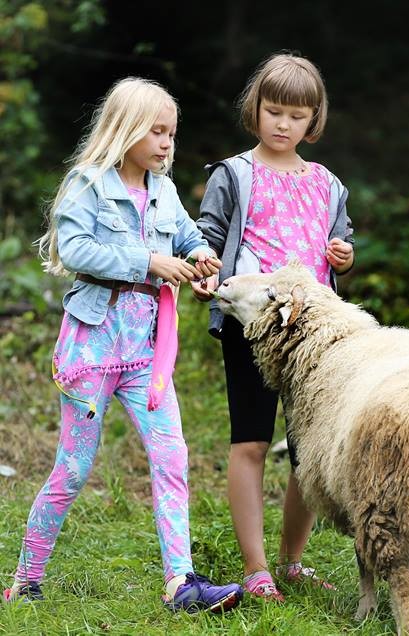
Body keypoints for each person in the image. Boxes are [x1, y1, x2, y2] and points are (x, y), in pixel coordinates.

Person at [3, 77, 243, 613]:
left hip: (144, 356)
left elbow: (189, 237)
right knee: (73, 469)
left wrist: (203, 259)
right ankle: (26, 579)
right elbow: (75, 250)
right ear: (125, 128)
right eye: (156, 131)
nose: (166, 143)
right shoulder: (87, 183)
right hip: (90, 351)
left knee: (172, 458)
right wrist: (148, 261)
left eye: (171, 133)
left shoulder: (163, 190)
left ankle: (180, 582)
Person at [192, 52, 354, 602]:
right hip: (254, 329)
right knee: (252, 441)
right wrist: (205, 269)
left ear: (313, 121)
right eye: (274, 111)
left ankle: (291, 561)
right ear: (255, 108)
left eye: (297, 116)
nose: (283, 124)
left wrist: (344, 255)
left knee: (307, 454)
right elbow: (207, 237)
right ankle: (256, 568)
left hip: (313, 338)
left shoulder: (327, 184)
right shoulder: (234, 175)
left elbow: (342, 243)